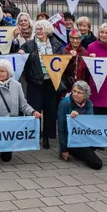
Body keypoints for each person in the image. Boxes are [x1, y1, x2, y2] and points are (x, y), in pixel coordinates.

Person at [0, 59, 42, 166]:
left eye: (2, 71)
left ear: (8, 72)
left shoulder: (17, 85)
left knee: (6, 158)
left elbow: (23, 105)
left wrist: (33, 112)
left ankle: (6, 150)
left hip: (10, 122)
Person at [20, 19, 65, 149]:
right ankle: (34, 134)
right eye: (37, 29)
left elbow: (61, 59)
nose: (39, 31)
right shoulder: (29, 44)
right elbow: (21, 53)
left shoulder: (56, 44)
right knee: (35, 108)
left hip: (50, 81)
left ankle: (47, 136)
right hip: (35, 81)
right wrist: (21, 52)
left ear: (47, 30)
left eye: (41, 29)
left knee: (50, 109)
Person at [57, 81, 103, 170]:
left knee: (101, 139)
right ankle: (71, 151)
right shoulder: (65, 103)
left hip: (84, 137)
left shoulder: (88, 103)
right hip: (72, 139)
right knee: (97, 164)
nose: (75, 94)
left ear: (85, 95)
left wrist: (80, 117)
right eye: (74, 91)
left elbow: (90, 122)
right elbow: (61, 128)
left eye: (79, 92)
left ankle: (83, 152)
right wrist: (64, 149)